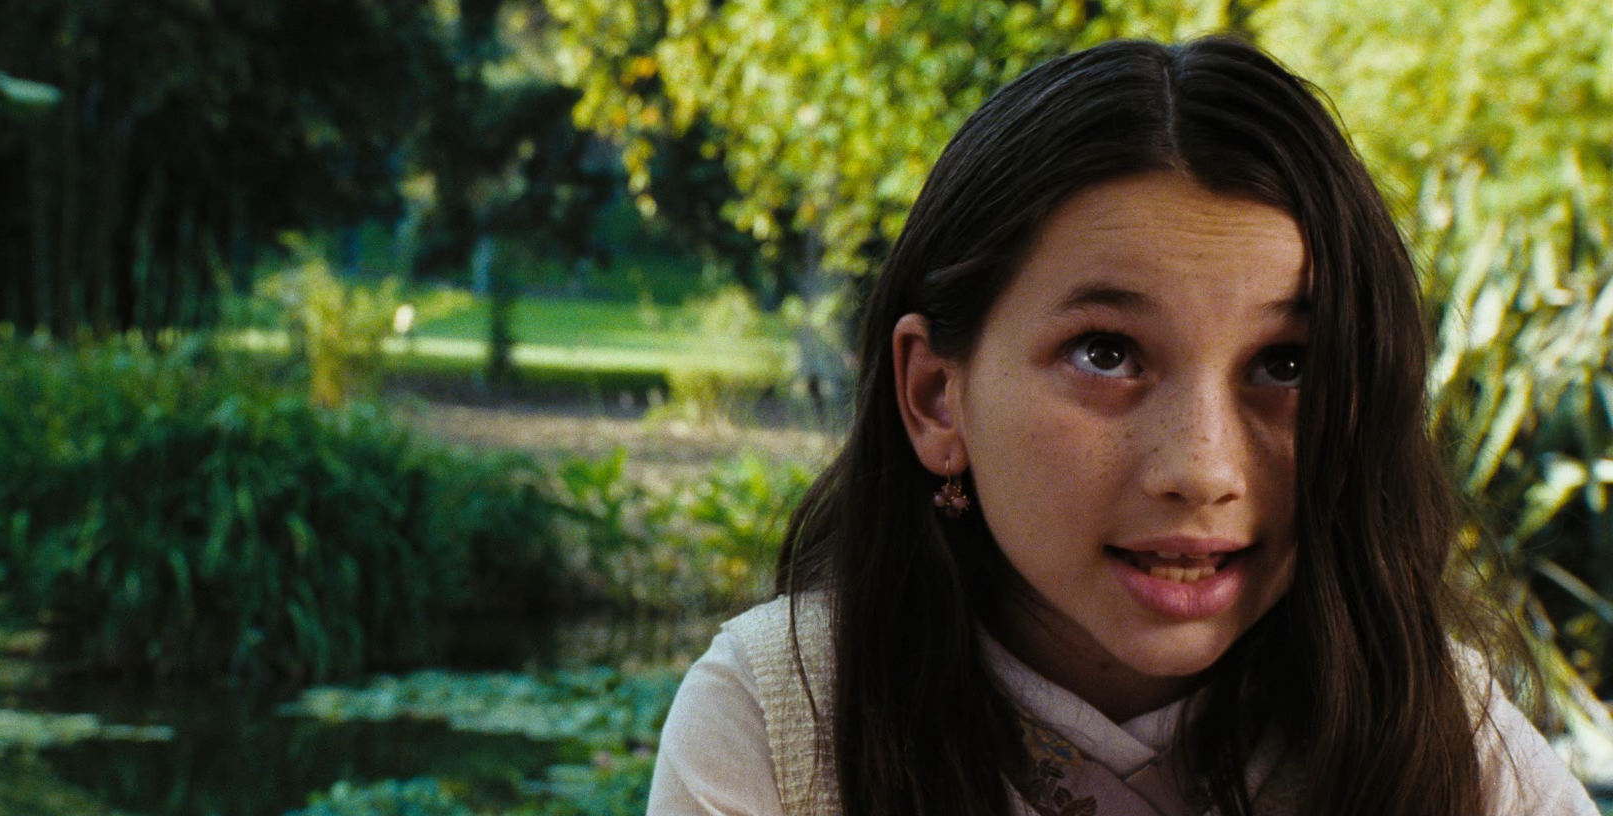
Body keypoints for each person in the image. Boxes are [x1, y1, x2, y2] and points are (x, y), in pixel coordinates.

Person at [646, 36, 1599, 816]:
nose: (1202, 469)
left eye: (1288, 365)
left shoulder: (1436, 734)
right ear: (936, 396)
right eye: (1105, 353)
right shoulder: (784, 717)